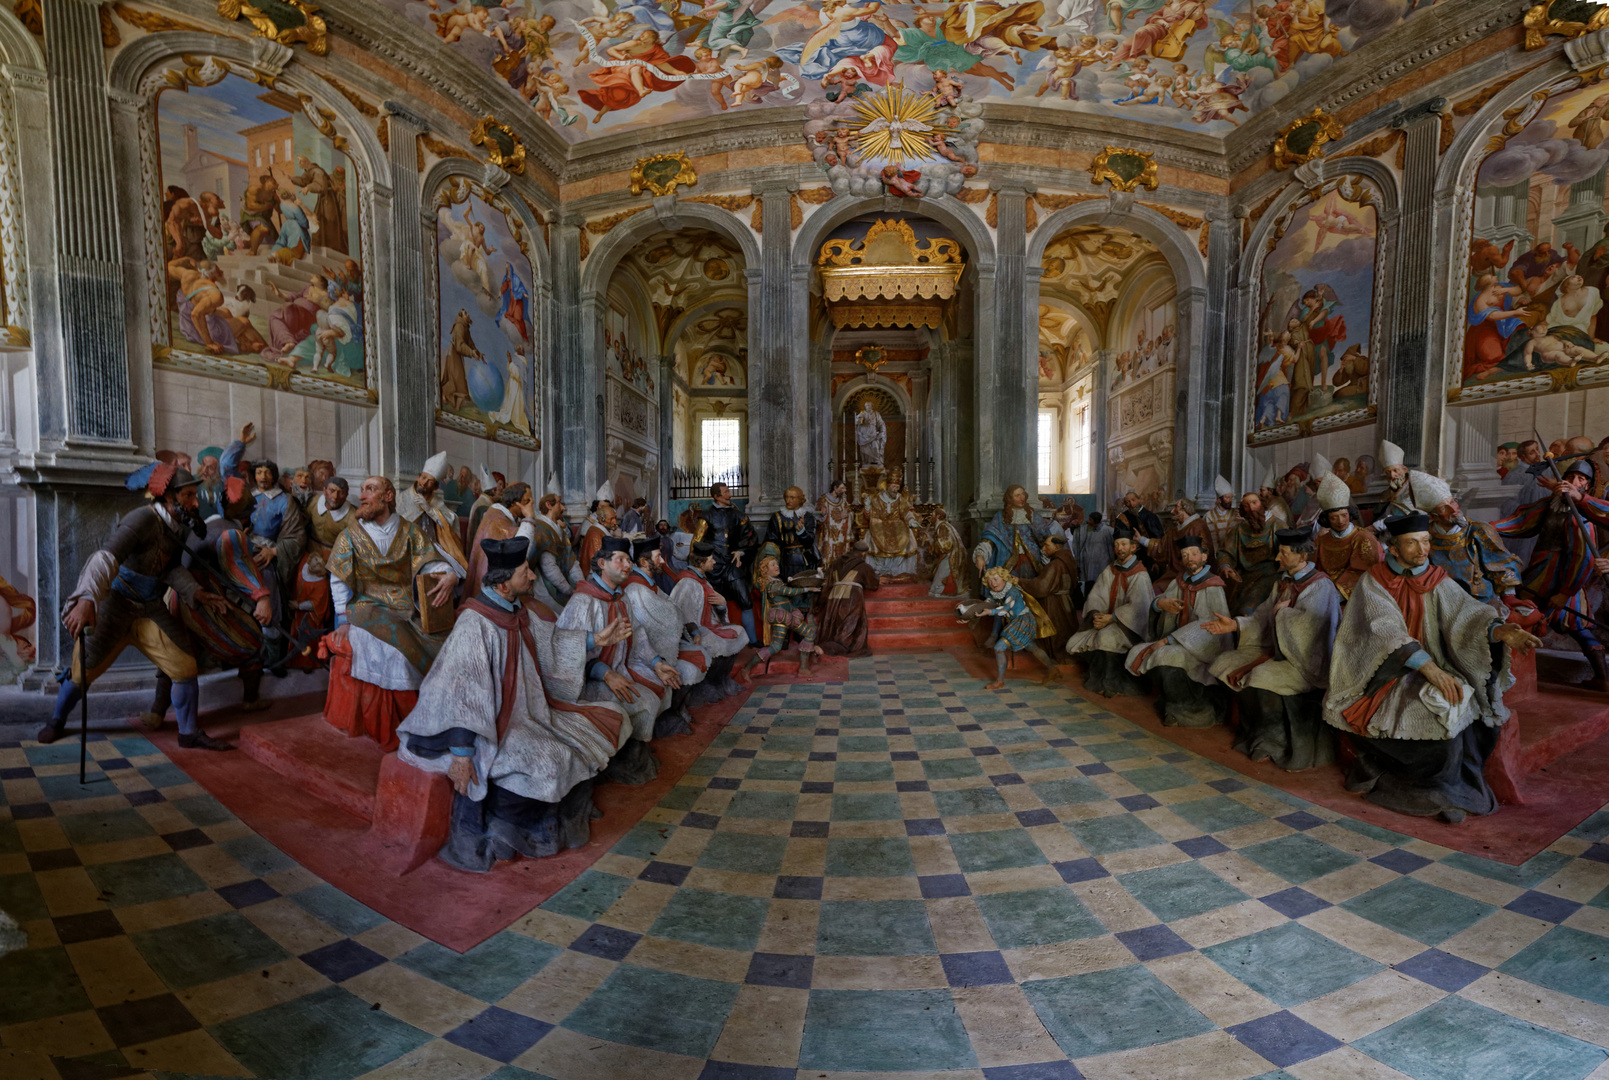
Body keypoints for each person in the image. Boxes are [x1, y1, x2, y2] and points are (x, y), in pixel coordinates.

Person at [397, 539, 634, 872]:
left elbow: (553, 641)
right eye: (526, 573)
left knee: (590, 731)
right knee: (555, 757)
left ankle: (558, 817)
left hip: (532, 712)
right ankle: (511, 828)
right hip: (487, 728)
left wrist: (597, 640)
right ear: (504, 583)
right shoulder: (475, 624)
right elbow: (459, 694)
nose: (534, 578)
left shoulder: (517, 611)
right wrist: (463, 755)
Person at [1324, 513, 1542, 823]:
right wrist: (1430, 670)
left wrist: (1501, 630)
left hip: (1435, 663)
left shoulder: (1435, 578)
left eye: (1425, 541)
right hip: (1384, 671)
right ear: (1394, 549)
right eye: (1412, 543)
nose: (1422, 549)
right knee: (1431, 710)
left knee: (1464, 704)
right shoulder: (1374, 581)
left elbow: (1468, 615)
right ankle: (1425, 789)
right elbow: (1383, 629)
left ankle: (1449, 788)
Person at [39, 462, 231, 749]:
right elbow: (105, 557)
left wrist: (196, 593)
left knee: (185, 666)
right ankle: (56, 720)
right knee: (81, 673)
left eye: (194, 496)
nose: (194, 503)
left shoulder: (178, 528)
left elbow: (171, 569)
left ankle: (188, 732)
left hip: (150, 608)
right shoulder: (142, 519)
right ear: (169, 496)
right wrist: (87, 598)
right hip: (115, 607)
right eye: (188, 496)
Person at [323, 476, 461, 750]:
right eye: (361, 490)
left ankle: (442, 716)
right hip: (366, 606)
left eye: (370, 489)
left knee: (446, 639)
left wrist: (449, 576)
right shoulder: (349, 535)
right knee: (398, 641)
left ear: (388, 496)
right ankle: (410, 723)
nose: (362, 496)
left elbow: (430, 564)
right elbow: (338, 579)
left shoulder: (410, 532)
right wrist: (341, 619)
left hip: (406, 605)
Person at [1206, 528, 1342, 770]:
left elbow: (1310, 628)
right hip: (1279, 650)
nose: (1278, 558)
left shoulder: (1320, 586)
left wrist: (1282, 613)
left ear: (1302, 556)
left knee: (1260, 676)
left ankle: (1274, 741)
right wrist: (1235, 624)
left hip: (1307, 661)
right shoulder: (1283, 582)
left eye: (1283, 553)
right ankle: (1254, 734)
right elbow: (1261, 618)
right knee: (1224, 662)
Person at [556, 537, 668, 783]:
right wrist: (605, 673)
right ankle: (626, 763)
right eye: (621, 560)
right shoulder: (583, 601)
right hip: (585, 682)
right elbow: (565, 652)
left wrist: (656, 662)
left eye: (629, 560)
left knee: (660, 686)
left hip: (619, 670)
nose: (628, 565)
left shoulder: (621, 597)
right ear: (602, 563)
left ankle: (635, 757)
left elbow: (637, 636)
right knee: (645, 702)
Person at [1493, 459, 1609, 690]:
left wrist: (1565, 593)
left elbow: (1582, 558)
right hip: (1541, 570)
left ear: (1586, 486)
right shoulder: (1551, 503)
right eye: (1570, 477)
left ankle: (1602, 680)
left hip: (1565, 579)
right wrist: (1485, 528)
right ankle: (1506, 675)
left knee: (1539, 615)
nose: (1573, 483)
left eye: (1581, 479)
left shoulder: (1582, 515)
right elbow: (1520, 522)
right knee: (1564, 622)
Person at [1125, 537, 1234, 727]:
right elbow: (1160, 601)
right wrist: (1160, 604)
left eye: (1193, 554)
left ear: (1204, 557)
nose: (1189, 558)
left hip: (1203, 648)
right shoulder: (1179, 582)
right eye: (1184, 555)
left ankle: (1188, 708)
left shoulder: (1213, 586)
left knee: (1166, 655)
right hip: (1178, 641)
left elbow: (1210, 626)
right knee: (1138, 651)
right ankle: (1171, 700)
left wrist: (1168, 641)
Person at [623, 537, 706, 737]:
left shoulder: (649, 584)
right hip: (641, 655)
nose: (662, 561)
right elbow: (666, 618)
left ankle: (675, 712)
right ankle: (665, 719)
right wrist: (677, 619)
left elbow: (673, 609)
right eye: (658, 557)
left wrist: (690, 628)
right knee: (684, 670)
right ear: (644, 562)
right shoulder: (636, 589)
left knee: (701, 655)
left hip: (658, 649)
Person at [1066, 527, 1154, 697]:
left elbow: (1139, 608)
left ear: (1133, 547)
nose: (1119, 548)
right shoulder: (1111, 569)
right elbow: (1097, 594)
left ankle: (1114, 683)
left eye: (1123, 544)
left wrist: (1112, 618)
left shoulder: (1140, 575)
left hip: (1130, 627)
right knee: (1074, 643)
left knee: (1106, 638)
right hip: (1107, 621)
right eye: (1116, 545)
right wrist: (1096, 613)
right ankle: (1098, 677)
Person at [1418, 472, 1523, 605]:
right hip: (1442, 601)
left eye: (1452, 502)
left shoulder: (1479, 530)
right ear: (1432, 516)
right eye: (1444, 507)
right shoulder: (1424, 536)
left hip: (1481, 601)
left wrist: (1509, 597)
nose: (1454, 509)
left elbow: (1504, 563)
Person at [671, 541, 750, 704]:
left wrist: (722, 604)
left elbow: (715, 606)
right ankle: (708, 686)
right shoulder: (687, 582)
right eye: (711, 560)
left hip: (709, 626)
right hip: (694, 632)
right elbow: (681, 613)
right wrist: (694, 632)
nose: (714, 562)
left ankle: (722, 680)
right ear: (701, 563)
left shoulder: (703, 580)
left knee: (739, 632)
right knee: (719, 643)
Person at [977, 566, 1062, 689]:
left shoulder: (1012, 592)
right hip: (1017, 622)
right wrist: (968, 612)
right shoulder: (998, 592)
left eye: (995, 579)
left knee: (999, 647)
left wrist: (989, 612)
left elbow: (1005, 609)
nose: (993, 583)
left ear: (1004, 578)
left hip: (1022, 621)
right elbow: (986, 603)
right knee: (1031, 646)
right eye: (990, 581)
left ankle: (1000, 681)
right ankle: (1053, 669)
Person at [738, 554, 822, 678]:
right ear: (765, 570)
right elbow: (789, 592)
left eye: (776, 564)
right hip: (781, 616)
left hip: (790, 613)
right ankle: (746, 669)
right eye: (772, 565)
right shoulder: (772, 585)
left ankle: (804, 668)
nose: (777, 566)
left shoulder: (777, 581)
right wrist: (807, 589)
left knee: (809, 634)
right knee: (776, 647)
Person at [1312, 471, 1381, 602]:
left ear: (1350, 514)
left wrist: (1336, 594)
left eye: (1344, 515)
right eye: (1334, 517)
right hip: (1323, 592)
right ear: (1327, 520)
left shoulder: (1363, 538)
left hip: (1351, 597)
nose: (1340, 521)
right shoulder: (1321, 541)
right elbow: (1316, 569)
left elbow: (1362, 572)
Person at [398, 451, 469, 577]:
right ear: (418, 477)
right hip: (408, 546)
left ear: (435, 487)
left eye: (430, 481)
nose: (424, 483)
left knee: (452, 572)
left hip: (432, 545)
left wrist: (430, 509)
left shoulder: (436, 501)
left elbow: (451, 520)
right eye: (424, 478)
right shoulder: (403, 498)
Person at [696, 482, 758, 624]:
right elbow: (697, 542)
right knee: (710, 602)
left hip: (732, 564)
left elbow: (750, 536)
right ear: (716, 496)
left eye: (729, 491)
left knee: (745, 600)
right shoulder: (706, 516)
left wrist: (741, 552)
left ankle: (752, 639)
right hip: (713, 566)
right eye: (725, 492)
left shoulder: (739, 516)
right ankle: (717, 634)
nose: (730, 495)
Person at [463, 482, 536, 599]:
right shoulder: (496, 520)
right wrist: (529, 519)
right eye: (527, 501)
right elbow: (517, 554)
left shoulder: (503, 516)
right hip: (494, 590)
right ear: (514, 503)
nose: (531, 504)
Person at [1016, 533, 1081, 654]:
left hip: (1056, 605)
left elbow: (1040, 587)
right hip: (1065, 602)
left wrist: (1019, 581)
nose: (1043, 549)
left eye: (1046, 545)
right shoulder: (1067, 560)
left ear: (1056, 548)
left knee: (1057, 633)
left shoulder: (1055, 565)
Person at [1217, 491, 1280, 615]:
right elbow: (1225, 552)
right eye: (1246, 505)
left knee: (1246, 610)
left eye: (1254, 503)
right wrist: (1226, 566)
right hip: (1242, 576)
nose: (1251, 508)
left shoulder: (1277, 526)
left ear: (1262, 504)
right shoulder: (1239, 529)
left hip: (1268, 576)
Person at [816, 537, 879, 658]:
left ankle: (824, 645)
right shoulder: (863, 566)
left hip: (833, 597)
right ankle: (828, 648)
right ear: (864, 553)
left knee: (832, 624)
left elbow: (827, 583)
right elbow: (873, 584)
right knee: (848, 628)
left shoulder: (835, 563)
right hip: (851, 598)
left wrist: (820, 603)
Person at [528, 491, 583, 614]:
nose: (563, 508)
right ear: (549, 505)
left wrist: (581, 585)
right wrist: (569, 590)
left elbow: (571, 561)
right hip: (546, 589)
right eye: (559, 503)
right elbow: (549, 568)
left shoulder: (560, 530)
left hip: (562, 587)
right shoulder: (541, 529)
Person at [862, 468, 922, 580]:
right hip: (879, 525)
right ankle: (880, 568)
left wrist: (912, 521)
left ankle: (898, 569)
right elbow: (870, 515)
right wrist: (867, 506)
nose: (895, 490)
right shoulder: (877, 498)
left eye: (897, 488)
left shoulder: (900, 498)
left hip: (898, 526)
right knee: (873, 538)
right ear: (888, 486)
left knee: (908, 537)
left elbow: (906, 512)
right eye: (893, 487)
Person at [1144, 498, 1217, 591]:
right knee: (1156, 588)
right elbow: (1161, 548)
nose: (1172, 511)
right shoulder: (1173, 531)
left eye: (1176, 508)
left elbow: (1206, 552)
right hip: (1174, 573)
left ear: (1184, 510)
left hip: (1194, 572)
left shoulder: (1199, 525)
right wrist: (1141, 540)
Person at [762, 485, 820, 582]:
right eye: (786, 497)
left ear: (800, 499)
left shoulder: (808, 517)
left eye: (792, 498)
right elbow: (771, 541)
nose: (788, 500)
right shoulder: (777, 517)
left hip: (804, 561)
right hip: (785, 561)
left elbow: (810, 541)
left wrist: (801, 532)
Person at [1114, 490, 1164, 569]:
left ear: (1139, 500)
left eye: (1133, 500)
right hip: (1130, 557)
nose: (1131, 504)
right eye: (1127, 502)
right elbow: (1119, 538)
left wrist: (1156, 561)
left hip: (1148, 557)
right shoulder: (1122, 518)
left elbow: (1159, 540)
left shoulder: (1151, 516)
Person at [1069, 510, 1114, 596]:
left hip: (1102, 563)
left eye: (1090, 519)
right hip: (1089, 564)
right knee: (1089, 584)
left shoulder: (1108, 531)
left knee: (1102, 584)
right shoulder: (1087, 528)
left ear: (1096, 521)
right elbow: (1078, 533)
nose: (1088, 521)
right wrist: (1074, 527)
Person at [816, 479, 856, 566]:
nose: (844, 491)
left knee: (840, 554)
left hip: (841, 534)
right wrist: (825, 514)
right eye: (842, 488)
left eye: (844, 488)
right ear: (835, 488)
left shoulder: (842, 501)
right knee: (828, 554)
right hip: (828, 533)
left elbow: (849, 512)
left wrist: (848, 515)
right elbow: (819, 517)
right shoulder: (823, 499)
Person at [1202, 475, 1239, 551]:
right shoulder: (1208, 516)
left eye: (1231, 497)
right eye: (1227, 498)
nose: (1230, 501)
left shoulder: (1236, 514)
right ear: (1219, 500)